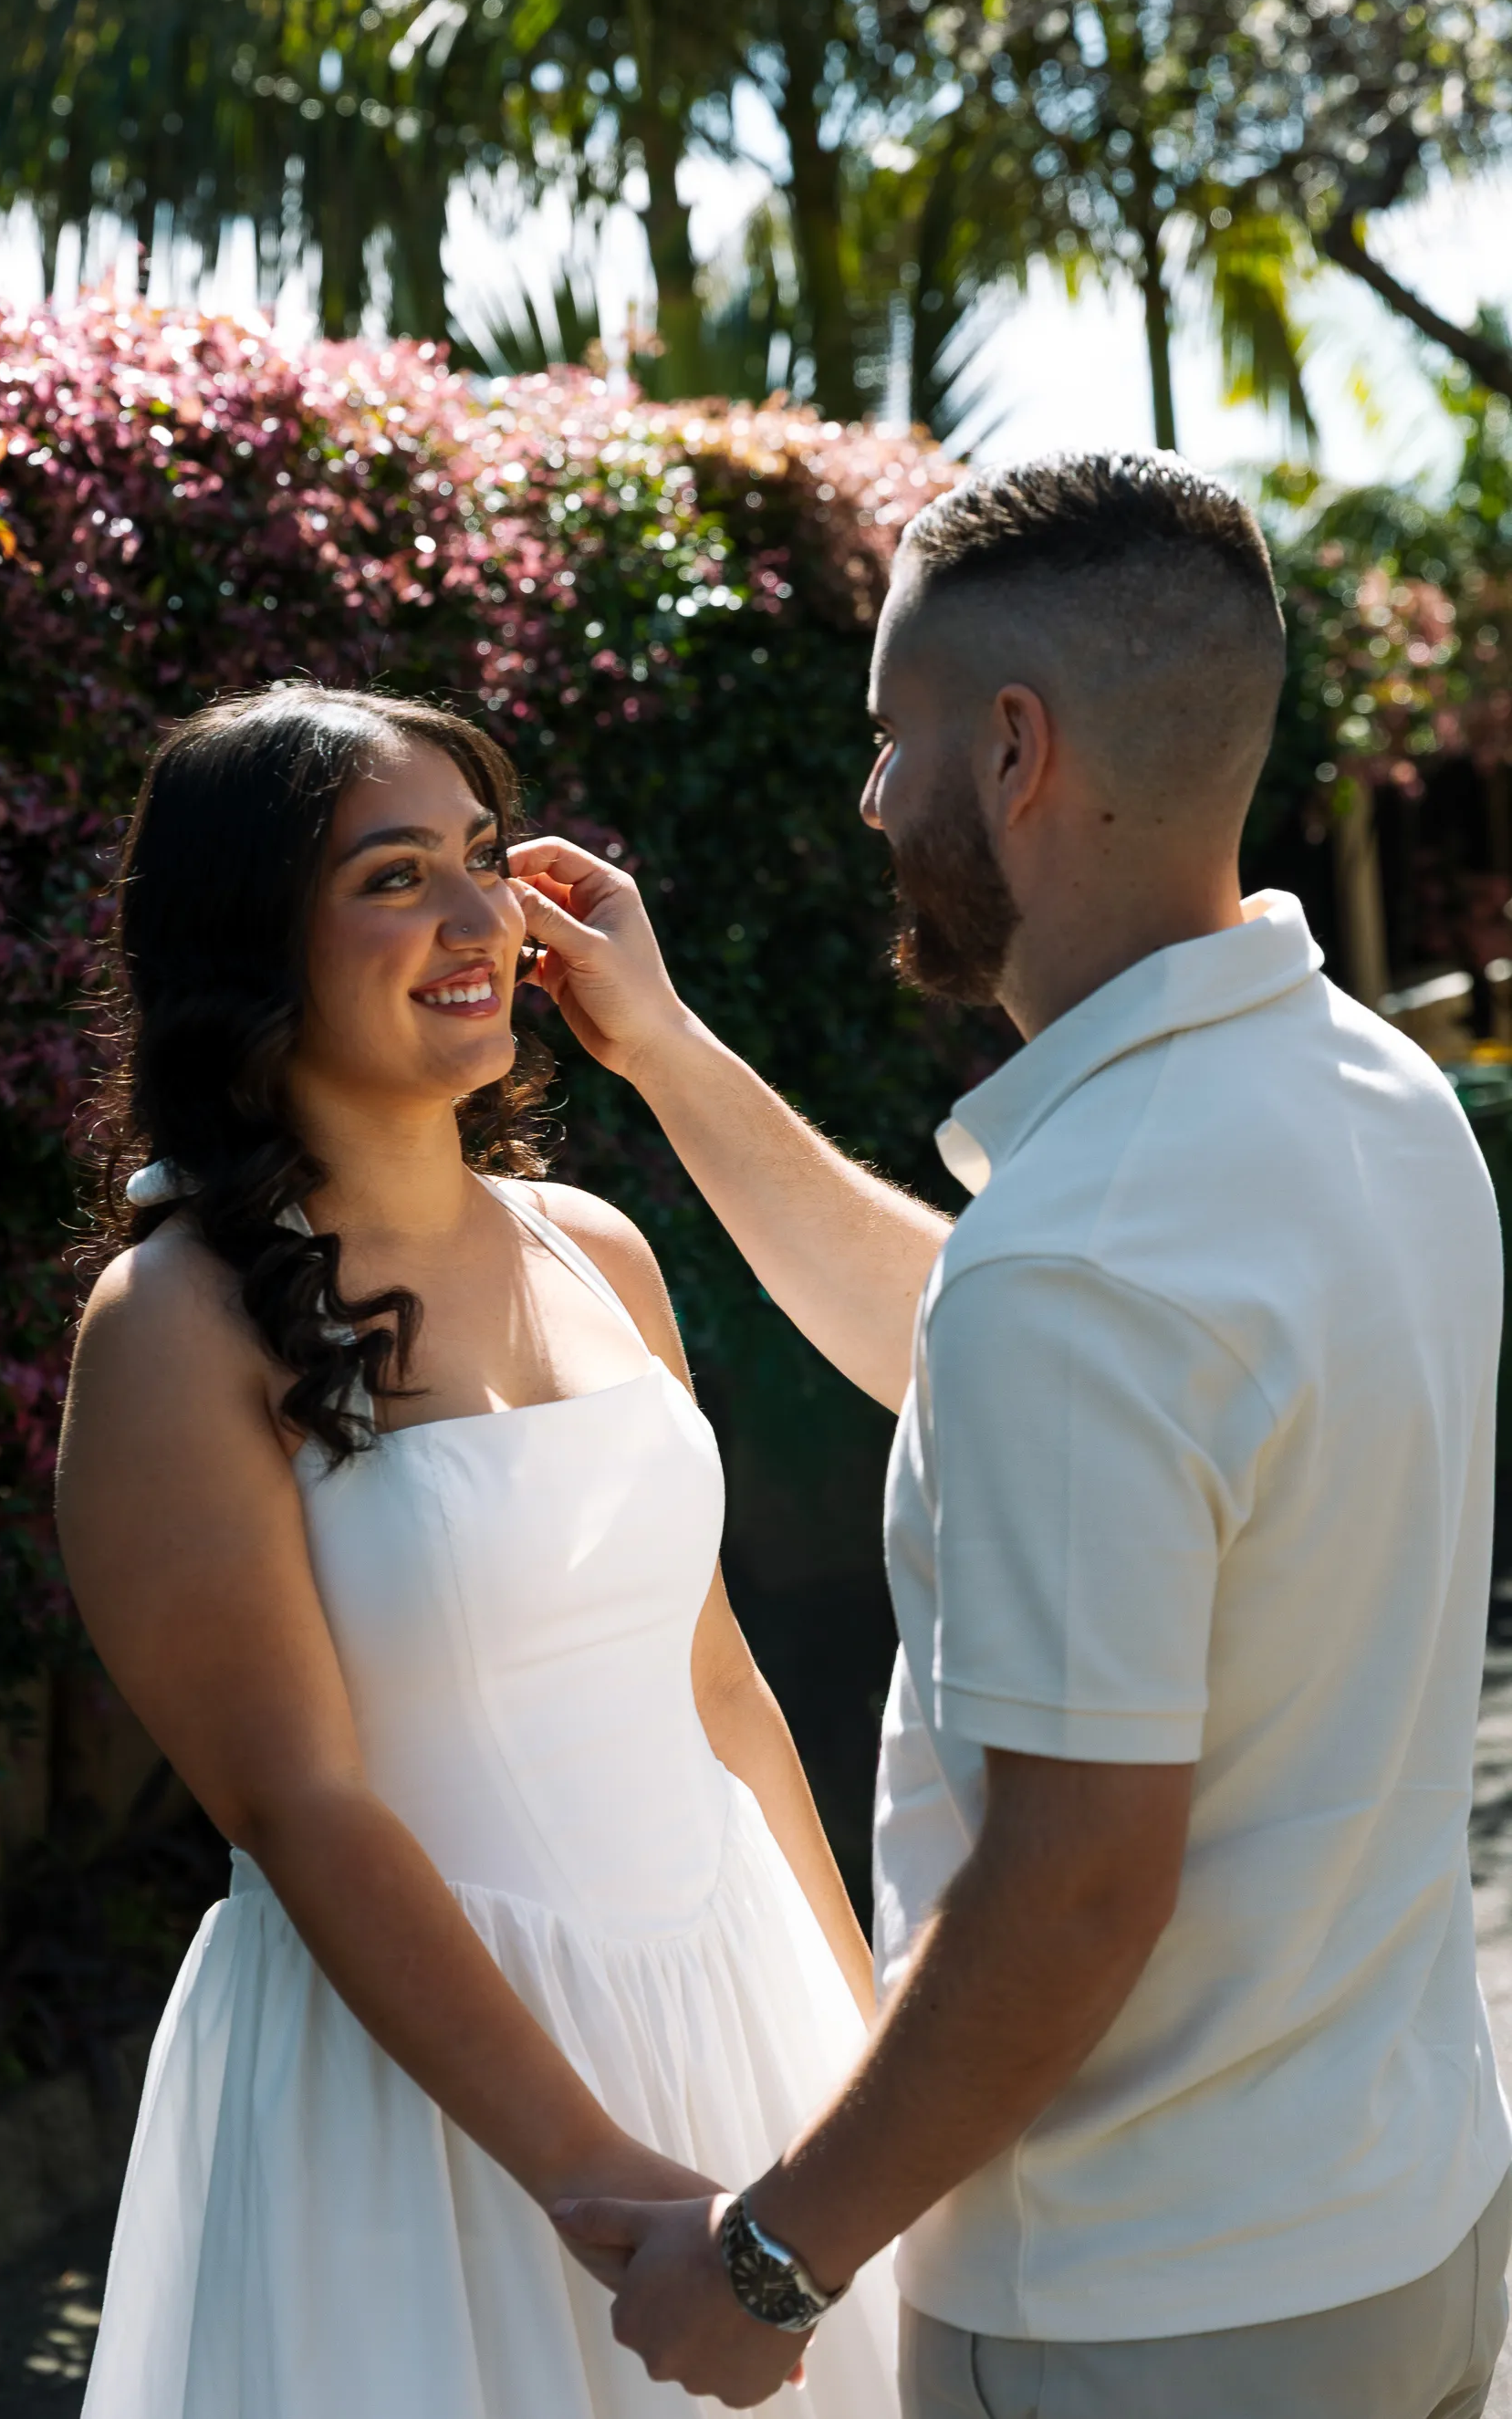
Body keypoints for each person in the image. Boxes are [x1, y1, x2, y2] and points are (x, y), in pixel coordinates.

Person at [520, 452, 1512, 2419]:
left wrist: (775, 2255)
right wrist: (667, 1050)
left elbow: (1070, 1891)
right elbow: (1004, 1370)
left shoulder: (1079, 1267)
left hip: (1145, 2314)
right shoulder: (1376, 1100)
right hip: (1411, 2229)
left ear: (1012, 749)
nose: (873, 800)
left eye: (892, 741)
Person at [55, 680, 902, 2419]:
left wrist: (867, 2045)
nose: (473, 919)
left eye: (476, 859)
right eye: (391, 877)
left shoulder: (600, 1248)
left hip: (739, 2001)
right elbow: (301, 1807)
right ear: (250, 937)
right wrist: (608, 2187)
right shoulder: (173, 1323)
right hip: (436, 2112)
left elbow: (722, 1690)